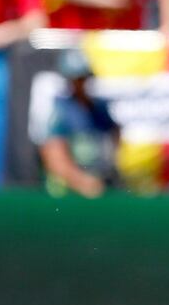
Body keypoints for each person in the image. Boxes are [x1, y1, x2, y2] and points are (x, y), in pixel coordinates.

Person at [38, 49, 121, 198]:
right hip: (67, 193)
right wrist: (81, 181)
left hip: (102, 186)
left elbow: (116, 139)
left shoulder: (100, 110)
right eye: (75, 79)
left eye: (83, 78)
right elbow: (54, 158)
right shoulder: (61, 112)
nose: (80, 83)